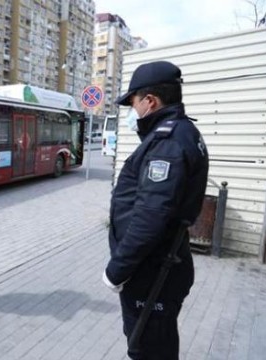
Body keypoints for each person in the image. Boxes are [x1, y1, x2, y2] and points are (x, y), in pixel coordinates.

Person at [103, 61, 209, 360]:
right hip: (160, 264)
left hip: (153, 271)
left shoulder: (167, 142)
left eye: (133, 103)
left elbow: (151, 216)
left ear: (150, 101)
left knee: (146, 348)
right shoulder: (178, 133)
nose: (132, 112)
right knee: (158, 343)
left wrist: (116, 270)